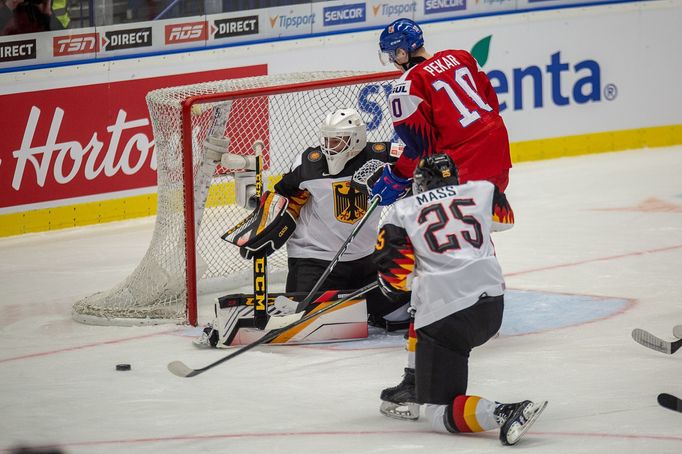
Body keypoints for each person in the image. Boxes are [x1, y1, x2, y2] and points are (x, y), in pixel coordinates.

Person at [372, 17, 516, 417]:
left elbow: (419, 144)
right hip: (495, 153)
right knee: (471, 230)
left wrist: (397, 176)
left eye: (392, 53)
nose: (392, 60)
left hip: (460, 161)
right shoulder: (460, 56)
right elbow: (490, 102)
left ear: (401, 52)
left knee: (433, 247)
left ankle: (421, 366)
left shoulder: (407, 83)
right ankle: (481, 294)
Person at [196, 108, 411, 348]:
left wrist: (409, 185)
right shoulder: (309, 164)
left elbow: (418, 161)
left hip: (366, 258)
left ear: (357, 138)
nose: (330, 146)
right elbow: (284, 197)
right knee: (301, 320)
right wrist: (267, 223)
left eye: (338, 141)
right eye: (327, 139)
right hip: (314, 258)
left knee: (399, 315)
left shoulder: (382, 156)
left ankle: (364, 303)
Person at [373, 154, 547, 445]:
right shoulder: (482, 191)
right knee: (422, 297)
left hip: (446, 320)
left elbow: (396, 279)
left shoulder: (401, 212)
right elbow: (505, 222)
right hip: (491, 308)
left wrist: (408, 273)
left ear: (419, 183)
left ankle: (503, 412)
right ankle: (414, 380)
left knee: (439, 414)